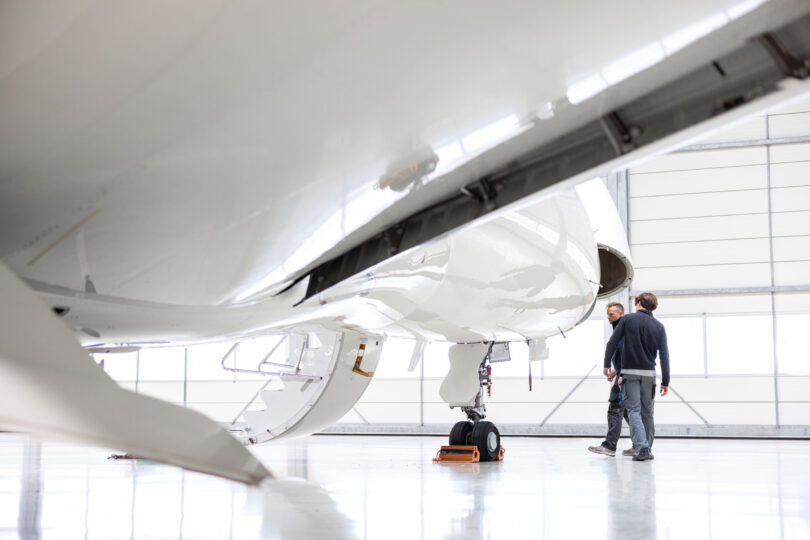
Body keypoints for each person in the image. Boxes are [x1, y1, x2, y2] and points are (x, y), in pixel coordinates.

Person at [603, 292, 669, 462]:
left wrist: (607, 364)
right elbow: (664, 355)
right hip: (649, 375)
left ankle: (642, 448)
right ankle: (647, 447)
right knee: (648, 412)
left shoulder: (627, 320)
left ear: (638, 303)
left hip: (630, 374)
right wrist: (666, 381)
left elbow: (612, 342)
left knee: (634, 410)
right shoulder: (659, 326)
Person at [588, 302, 627, 457]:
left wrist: (619, 372)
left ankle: (610, 446)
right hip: (622, 372)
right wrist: (617, 370)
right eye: (607, 315)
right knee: (627, 411)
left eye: (611, 314)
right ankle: (640, 445)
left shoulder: (621, 328)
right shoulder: (619, 328)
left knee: (615, 408)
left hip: (624, 375)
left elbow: (622, 351)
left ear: (620, 314)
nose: (609, 317)